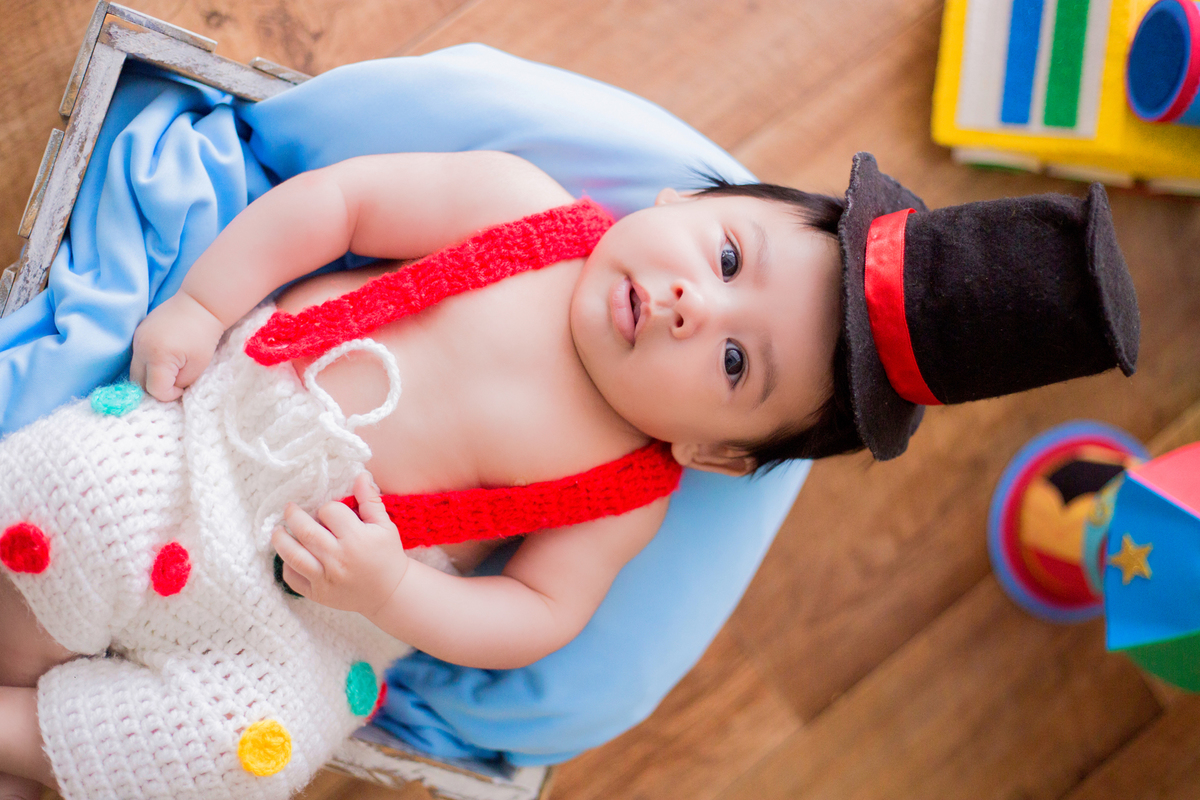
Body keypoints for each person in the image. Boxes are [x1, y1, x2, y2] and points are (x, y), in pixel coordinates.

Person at [0, 149, 1138, 800]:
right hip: (211, 448)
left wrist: (393, 590)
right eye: (729, 255)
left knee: (251, 752)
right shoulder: (523, 214)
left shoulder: (628, 490)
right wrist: (205, 301)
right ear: (685, 201)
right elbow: (340, 204)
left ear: (715, 453)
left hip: (305, 611)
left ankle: (24, 737)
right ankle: (26, 645)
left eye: (737, 361)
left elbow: (530, 616)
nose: (700, 302)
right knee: (83, 500)